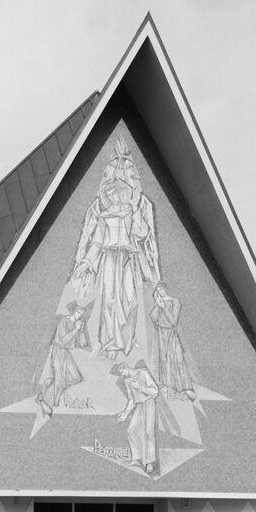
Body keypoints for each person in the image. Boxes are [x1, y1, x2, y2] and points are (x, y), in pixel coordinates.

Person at [70, 135, 160, 359]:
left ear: (126, 193)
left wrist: (136, 211)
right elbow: (98, 241)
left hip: (129, 257)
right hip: (109, 257)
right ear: (109, 194)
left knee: (130, 300)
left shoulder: (132, 211)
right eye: (113, 192)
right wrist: (88, 262)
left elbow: (142, 233)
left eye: (121, 192)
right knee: (109, 299)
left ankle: (127, 341)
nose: (117, 195)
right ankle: (111, 342)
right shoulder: (104, 215)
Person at [36, 302, 91, 415]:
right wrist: (75, 329)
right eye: (79, 312)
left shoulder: (77, 323)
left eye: (82, 313)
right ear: (74, 311)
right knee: (59, 379)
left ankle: (45, 396)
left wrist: (81, 331)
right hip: (58, 350)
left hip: (66, 352)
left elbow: (83, 344)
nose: (80, 315)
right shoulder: (64, 321)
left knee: (75, 377)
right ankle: (46, 401)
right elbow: (61, 341)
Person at [111, 361, 159, 475]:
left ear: (126, 367)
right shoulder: (126, 381)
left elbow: (155, 391)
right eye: (121, 373)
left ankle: (150, 462)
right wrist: (125, 413)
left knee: (148, 432)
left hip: (149, 403)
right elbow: (132, 400)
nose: (122, 374)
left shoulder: (143, 372)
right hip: (139, 406)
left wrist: (140, 387)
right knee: (131, 430)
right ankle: (136, 458)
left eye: (122, 371)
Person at [149, 282, 195, 400]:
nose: (160, 292)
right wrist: (157, 304)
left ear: (165, 289)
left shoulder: (175, 301)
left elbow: (173, 321)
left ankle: (186, 388)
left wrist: (163, 307)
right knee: (164, 359)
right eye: (157, 291)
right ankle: (169, 385)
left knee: (178, 360)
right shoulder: (159, 303)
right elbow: (154, 318)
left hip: (171, 333)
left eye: (161, 289)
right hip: (161, 332)